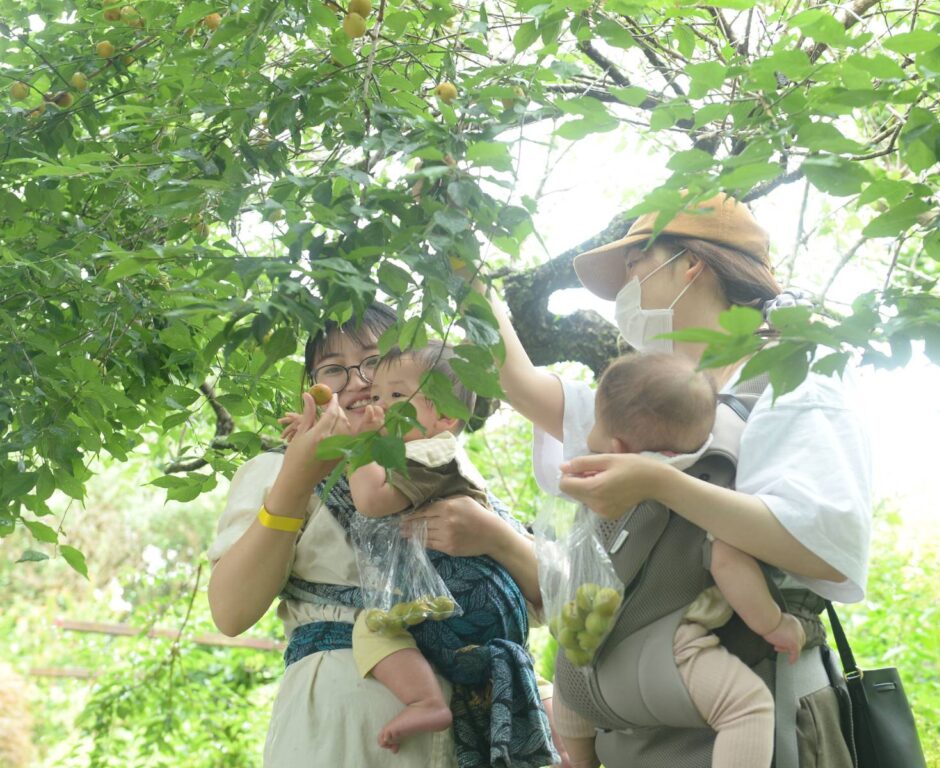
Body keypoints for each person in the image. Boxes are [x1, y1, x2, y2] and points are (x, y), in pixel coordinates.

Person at [475, 191, 872, 767]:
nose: (624, 295)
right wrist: (474, 284)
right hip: (646, 726)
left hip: (760, 714)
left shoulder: (792, 377)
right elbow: (521, 383)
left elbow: (823, 543)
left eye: (635, 266)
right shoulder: (654, 397)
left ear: (691, 264)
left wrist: (660, 483)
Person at [206, 302, 560, 768]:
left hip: (467, 723)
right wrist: (297, 477)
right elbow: (231, 612)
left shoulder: (440, 462)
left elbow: (555, 598)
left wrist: (493, 535)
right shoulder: (273, 470)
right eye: (333, 369)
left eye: (375, 361)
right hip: (343, 731)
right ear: (311, 388)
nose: (357, 381)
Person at [553, 351, 806, 768]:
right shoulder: (705, 486)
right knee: (747, 707)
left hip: (585, 647)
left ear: (617, 446)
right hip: (670, 648)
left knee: (569, 679)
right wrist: (773, 624)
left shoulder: (595, 486)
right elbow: (726, 560)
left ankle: (578, 761)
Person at [346, 341, 501, 753]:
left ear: (445, 417)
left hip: (462, 595)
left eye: (398, 396)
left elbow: (371, 500)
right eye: (375, 396)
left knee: (371, 626)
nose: (378, 408)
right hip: (475, 595)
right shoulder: (432, 452)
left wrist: (357, 447)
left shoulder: (429, 457)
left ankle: (425, 699)